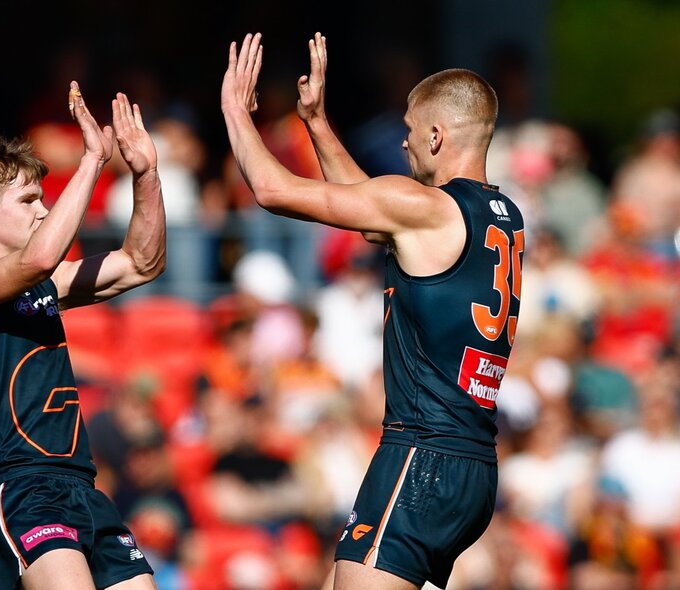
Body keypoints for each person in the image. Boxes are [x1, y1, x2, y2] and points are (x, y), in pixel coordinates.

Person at [221, 33, 524, 590]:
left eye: (409, 132)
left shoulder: (427, 208)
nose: (404, 146)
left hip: (420, 453)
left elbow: (270, 188)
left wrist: (235, 113)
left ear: (436, 135)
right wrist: (317, 125)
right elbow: (371, 216)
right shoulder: (504, 215)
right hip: (473, 463)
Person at [0, 81, 166, 590]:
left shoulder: (41, 283)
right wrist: (90, 163)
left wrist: (145, 173)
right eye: (31, 198)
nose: (43, 210)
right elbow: (39, 259)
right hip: (23, 487)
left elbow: (141, 264)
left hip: (83, 486)